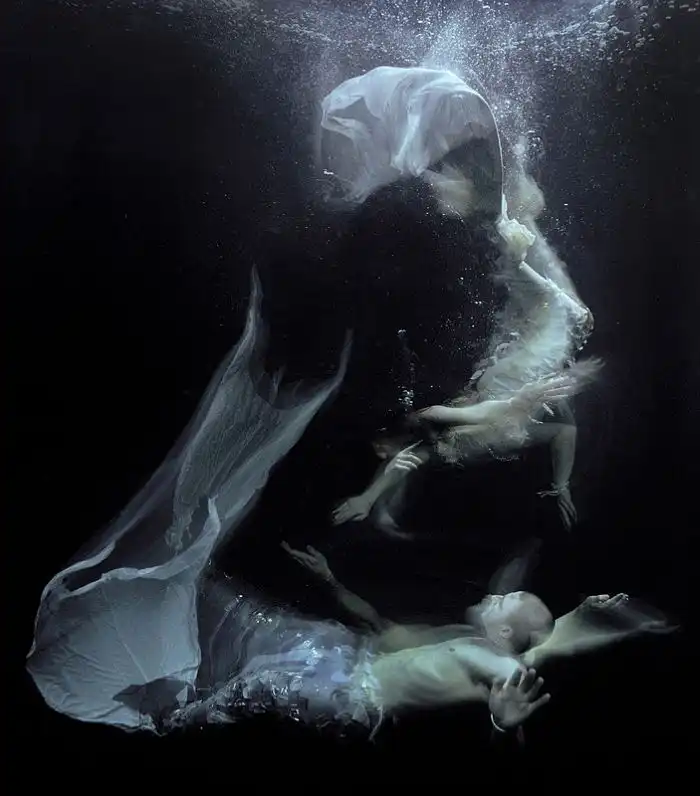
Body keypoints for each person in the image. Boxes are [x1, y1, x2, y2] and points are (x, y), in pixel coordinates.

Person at [165, 542, 668, 743]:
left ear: (504, 633)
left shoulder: (499, 664)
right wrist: (330, 580)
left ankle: (173, 726)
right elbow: (381, 626)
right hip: (349, 663)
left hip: (353, 699)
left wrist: (502, 722)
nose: (496, 594)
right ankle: (197, 589)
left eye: (506, 599)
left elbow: (519, 681)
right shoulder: (464, 640)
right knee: (278, 627)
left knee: (263, 685)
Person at [332, 257, 598, 533]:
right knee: (566, 322)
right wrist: (561, 486)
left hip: (501, 396)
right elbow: (561, 431)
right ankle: (520, 263)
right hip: (501, 409)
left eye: (379, 446)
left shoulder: (440, 419)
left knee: (569, 318)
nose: (381, 453)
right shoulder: (465, 438)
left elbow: (472, 420)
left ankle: (518, 261)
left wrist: (369, 497)